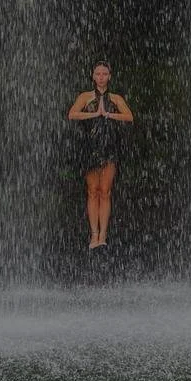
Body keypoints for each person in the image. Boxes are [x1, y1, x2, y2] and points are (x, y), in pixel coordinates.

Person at [67, 61, 134, 249]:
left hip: (110, 147)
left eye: (105, 74)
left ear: (110, 76)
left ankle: (103, 235)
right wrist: (96, 113)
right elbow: (72, 114)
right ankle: (93, 235)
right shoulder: (85, 97)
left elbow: (129, 117)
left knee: (105, 192)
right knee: (92, 191)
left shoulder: (116, 98)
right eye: (98, 74)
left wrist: (108, 115)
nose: (101, 77)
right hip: (90, 147)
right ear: (93, 76)